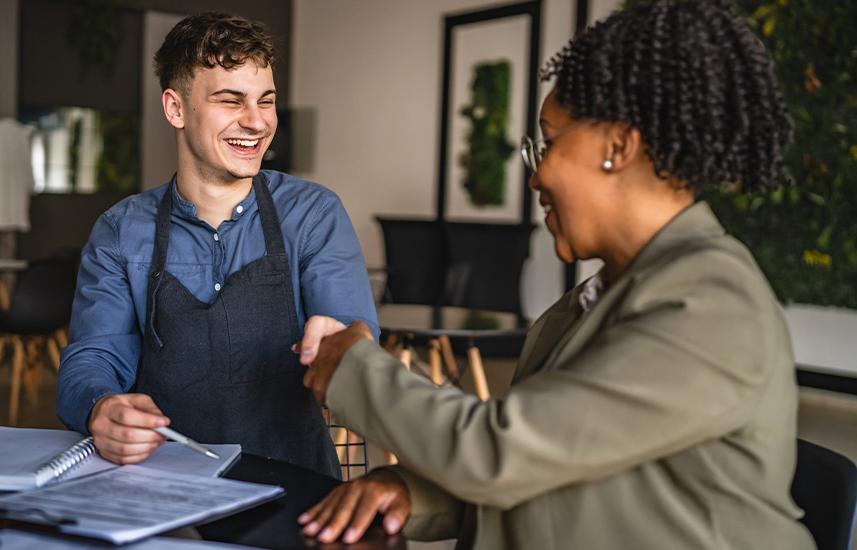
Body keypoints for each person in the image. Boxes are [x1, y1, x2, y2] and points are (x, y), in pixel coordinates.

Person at [292, 0, 817, 547]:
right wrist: (409, 491)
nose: (536, 175)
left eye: (548, 142)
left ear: (618, 145)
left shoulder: (712, 306)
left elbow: (501, 453)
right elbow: (546, 467)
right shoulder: (583, 306)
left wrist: (355, 366)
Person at [56, 12, 379, 478]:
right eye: (231, 101)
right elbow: (92, 357)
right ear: (175, 109)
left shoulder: (313, 214)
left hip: (298, 484)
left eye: (265, 101)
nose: (257, 122)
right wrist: (100, 406)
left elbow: (357, 336)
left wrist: (347, 347)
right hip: (162, 485)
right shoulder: (120, 231)